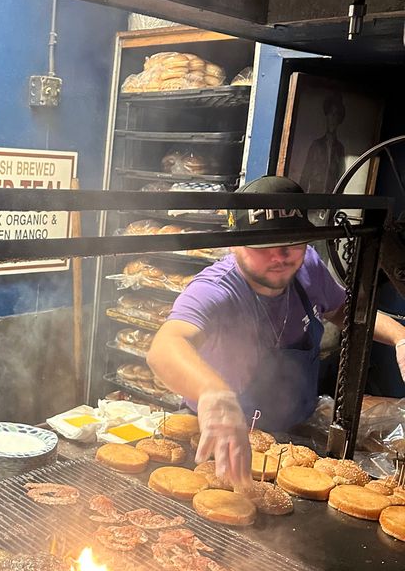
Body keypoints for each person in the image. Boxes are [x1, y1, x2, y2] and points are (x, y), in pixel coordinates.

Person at [146, 176, 405, 486]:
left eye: (291, 243)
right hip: (225, 442)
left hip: (292, 436)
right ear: (235, 244)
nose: (280, 257)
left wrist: (399, 336)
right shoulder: (215, 290)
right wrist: (214, 393)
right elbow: (165, 346)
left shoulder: (307, 265)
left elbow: (342, 310)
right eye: (264, 247)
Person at [300, 92, 346, 193]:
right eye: (330, 113)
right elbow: (305, 177)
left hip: (330, 201)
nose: (333, 118)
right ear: (326, 116)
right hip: (313, 198)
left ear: (339, 118)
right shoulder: (316, 145)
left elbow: (341, 178)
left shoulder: (340, 148)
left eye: (336, 114)